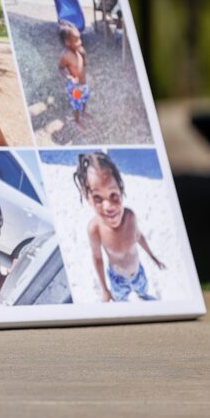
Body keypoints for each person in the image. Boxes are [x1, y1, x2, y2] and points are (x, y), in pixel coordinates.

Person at [73, 152, 166, 302]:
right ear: (87, 197)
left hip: (137, 273)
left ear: (121, 189)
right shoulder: (95, 229)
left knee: (143, 291)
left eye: (113, 195)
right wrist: (105, 289)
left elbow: (139, 237)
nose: (108, 206)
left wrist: (152, 256)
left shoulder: (130, 217)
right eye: (97, 198)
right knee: (121, 300)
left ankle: (142, 295)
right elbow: (97, 259)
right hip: (117, 280)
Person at [57, 20, 90, 126]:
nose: (80, 42)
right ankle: (77, 120)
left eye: (79, 38)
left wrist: (84, 56)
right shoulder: (65, 56)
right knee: (76, 105)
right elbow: (60, 68)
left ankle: (84, 112)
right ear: (67, 42)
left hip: (83, 83)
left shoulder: (80, 50)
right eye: (76, 40)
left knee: (84, 99)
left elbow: (84, 64)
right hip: (75, 87)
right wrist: (68, 76)